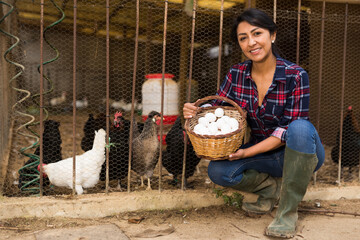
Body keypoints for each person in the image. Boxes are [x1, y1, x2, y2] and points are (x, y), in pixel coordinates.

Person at [183, 8, 325, 238]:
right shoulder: (236, 74)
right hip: (265, 155)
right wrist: (197, 111)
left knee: (299, 128)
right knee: (218, 171)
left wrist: (245, 154)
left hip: (298, 151)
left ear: (272, 35)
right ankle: (271, 189)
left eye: (257, 33)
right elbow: (219, 107)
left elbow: (286, 131)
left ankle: (287, 213)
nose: (251, 42)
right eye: (243, 38)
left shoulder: (295, 75)